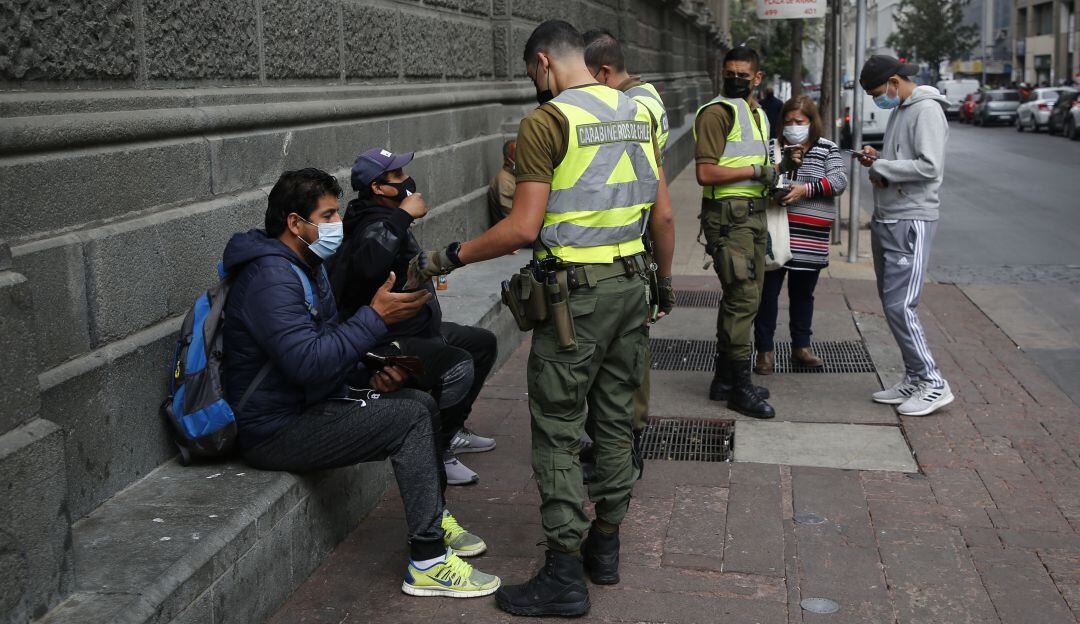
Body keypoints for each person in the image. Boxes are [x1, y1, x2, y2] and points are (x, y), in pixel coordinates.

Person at [407, 20, 676, 617]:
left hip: (573, 302)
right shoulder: (637, 112)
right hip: (632, 286)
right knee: (612, 422)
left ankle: (562, 574)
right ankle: (604, 548)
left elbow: (523, 229)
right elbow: (662, 217)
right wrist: (664, 283)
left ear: (545, 63)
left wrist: (445, 257)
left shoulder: (547, 121)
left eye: (533, 73)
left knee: (558, 427)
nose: (535, 83)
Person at [220, 168, 500, 598]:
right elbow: (308, 363)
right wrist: (376, 317)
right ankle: (428, 560)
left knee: (415, 402)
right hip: (273, 429)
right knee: (409, 418)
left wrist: (371, 375)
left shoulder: (304, 266)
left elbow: (326, 347)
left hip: (307, 404)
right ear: (295, 223)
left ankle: (435, 523)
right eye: (328, 216)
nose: (337, 225)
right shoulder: (270, 278)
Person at [326, 148, 498, 486]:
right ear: (379, 187)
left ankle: (453, 431)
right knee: (458, 364)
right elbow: (369, 263)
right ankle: (439, 450)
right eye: (398, 175)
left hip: (418, 328)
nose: (407, 179)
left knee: (482, 343)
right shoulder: (370, 221)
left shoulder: (383, 216)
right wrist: (403, 215)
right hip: (382, 342)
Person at [582, 27, 673, 472]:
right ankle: (618, 438)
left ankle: (625, 440)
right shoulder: (647, 96)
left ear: (603, 71)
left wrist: (665, 276)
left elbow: (657, 201)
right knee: (627, 346)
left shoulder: (632, 108)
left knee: (627, 350)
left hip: (629, 243)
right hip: (631, 240)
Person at [694, 45, 791, 419]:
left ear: (757, 78)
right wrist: (755, 171)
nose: (735, 79)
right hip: (729, 219)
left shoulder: (757, 113)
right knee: (743, 300)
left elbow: (762, 160)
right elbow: (706, 173)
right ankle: (739, 386)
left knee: (744, 297)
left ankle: (724, 380)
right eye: (729, 73)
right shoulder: (716, 113)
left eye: (742, 74)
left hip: (752, 216)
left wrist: (773, 176)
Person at [857, 55, 954, 417]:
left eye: (877, 92)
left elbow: (930, 166)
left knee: (901, 304)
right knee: (891, 303)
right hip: (890, 215)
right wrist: (879, 160)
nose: (875, 100)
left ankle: (933, 382)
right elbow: (904, 159)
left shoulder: (926, 110)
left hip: (911, 218)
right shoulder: (901, 109)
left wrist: (882, 165)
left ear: (895, 82)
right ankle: (915, 376)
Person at [753, 95, 848, 375]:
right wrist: (777, 193)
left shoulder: (826, 149)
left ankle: (801, 347)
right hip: (777, 235)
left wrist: (805, 190)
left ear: (811, 122)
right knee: (767, 295)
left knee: (803, 294)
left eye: (800, 121)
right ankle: (765, 351)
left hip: (811, 237)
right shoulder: (772, 149)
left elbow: (839, 181)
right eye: (789, 121)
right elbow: (761, 180)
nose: (794, 126)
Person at [488, 139, 517, 224]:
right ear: (508, 159)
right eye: (518, 154)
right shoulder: (504, 181)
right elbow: (514, 221)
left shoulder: (516, 175)